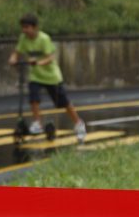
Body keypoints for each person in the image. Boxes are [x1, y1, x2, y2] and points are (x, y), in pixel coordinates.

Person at [7, 13, 86, 142]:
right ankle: (37, 122)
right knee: (34, 98)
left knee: (64, 102)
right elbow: (17, 53)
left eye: (27, 27)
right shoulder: (23, 39)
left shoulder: (44, 39)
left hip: (51, 77)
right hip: (36, 76)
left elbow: (50, 57)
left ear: (35, 27)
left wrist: (38, 63)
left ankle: (78, 123)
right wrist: (13, 59)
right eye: (23, 27)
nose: (25, 30)